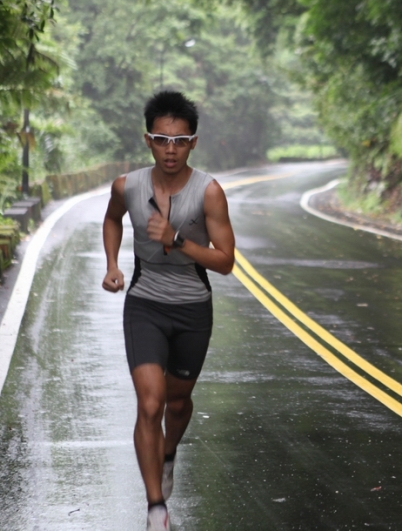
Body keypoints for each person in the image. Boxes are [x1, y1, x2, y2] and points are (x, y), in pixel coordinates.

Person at [101, 90, 235, 531]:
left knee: (177, 404)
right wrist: (113, 265)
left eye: (180, 141)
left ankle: (169, 452)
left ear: (193, 142)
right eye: (162, 139)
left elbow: (226, 262)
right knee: (150, 403)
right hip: (145, 304)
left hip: (193, 310)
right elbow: (112, 218)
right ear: (148, 140)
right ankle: (156, 507)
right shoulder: (128, 186)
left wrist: (178, 241)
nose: (170, 149)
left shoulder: (209, 192)